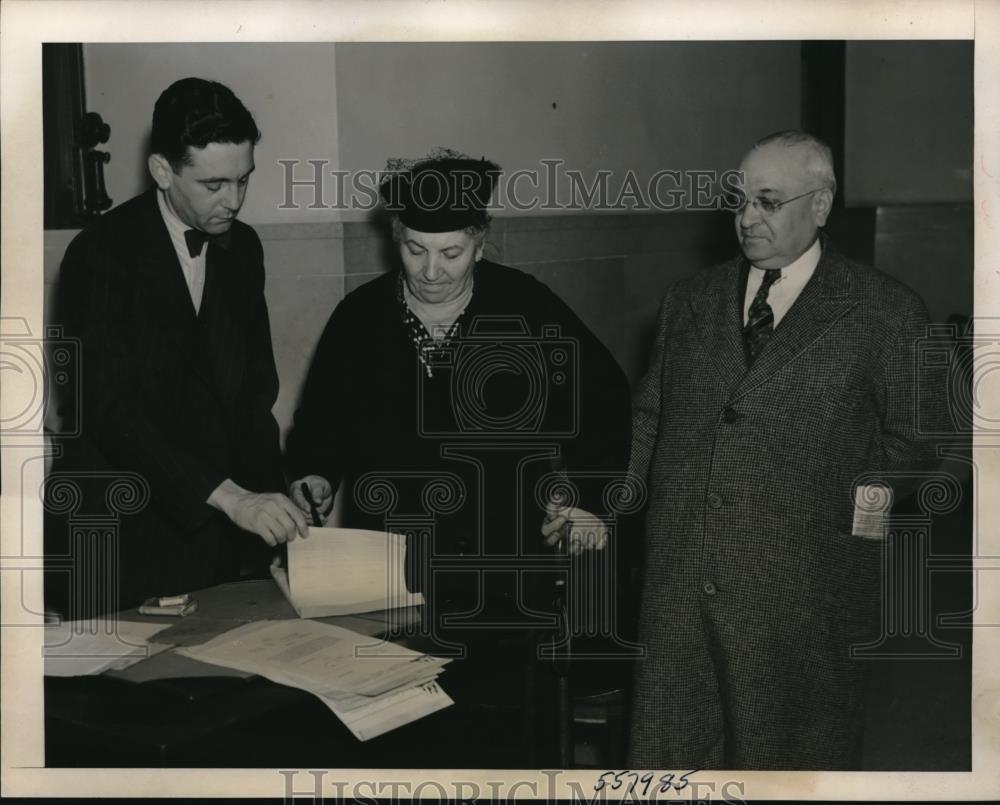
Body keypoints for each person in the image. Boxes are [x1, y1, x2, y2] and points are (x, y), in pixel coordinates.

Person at [285, 151, 632, 766]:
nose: (433, 270)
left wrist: (588, 499)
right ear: (397, 238)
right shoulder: (360, 319)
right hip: (389, 571)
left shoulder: (527, 308)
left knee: (497, 743)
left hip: (502, 573)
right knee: (396, 739)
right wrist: (313, 474)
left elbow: (604, 402)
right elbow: (320, 426)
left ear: (481, 242)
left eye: (452, 253)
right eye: (416, 250)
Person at [619, 131, 947, 770]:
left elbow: (920, 446)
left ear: (820, 205)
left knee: (792, 764)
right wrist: (609, 504)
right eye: (740, 200)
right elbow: (650, 418)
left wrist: (841, 519)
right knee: (673, 761)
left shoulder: (885, 310)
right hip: (680, 584)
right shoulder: (689, 301)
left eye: (768, 202)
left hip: (804, 595)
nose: (746, 218)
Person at [45, 78, 306, 620]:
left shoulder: (244, 248)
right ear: (163, 171)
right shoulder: (100, 253)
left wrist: (280, 533)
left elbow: (251, 399)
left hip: (209, 533)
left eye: (243, 181)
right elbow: (108, 408)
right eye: (213, 184)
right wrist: (232, 498)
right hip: (115, 532)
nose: (232, 201)